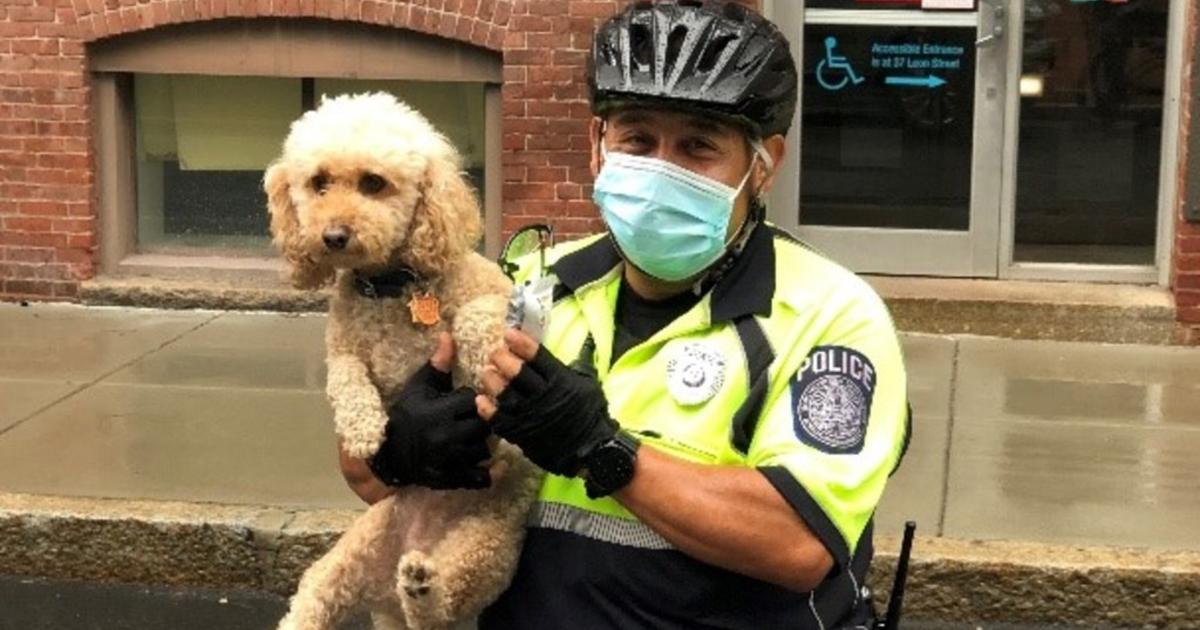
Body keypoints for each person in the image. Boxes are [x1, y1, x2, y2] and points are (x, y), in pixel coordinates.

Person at [342, 2, 910, 628]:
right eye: (637, 138)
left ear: (764, 164)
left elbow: (797, 545)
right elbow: (368, 481)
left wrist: (600, 449)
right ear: (597, 144)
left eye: (697, 146)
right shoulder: (531, 286)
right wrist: (400, 452)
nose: (660, 167)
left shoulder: (830, 315)